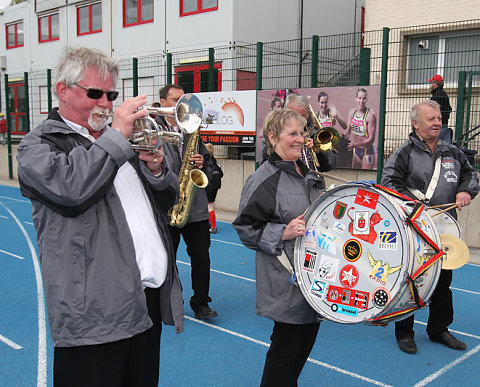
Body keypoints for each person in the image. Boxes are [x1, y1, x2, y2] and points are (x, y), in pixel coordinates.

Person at [16, 47, 183, 386]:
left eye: (111, 95)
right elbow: (72, 191)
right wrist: (116, 136)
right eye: (95, 93)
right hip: (93, 311)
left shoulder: (122, 142)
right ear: (63, 90)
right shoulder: (39, 145)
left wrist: (156, 169)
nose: (106, 104)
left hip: (144, 302)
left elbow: (167, 203)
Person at [233, 109, 325, 386]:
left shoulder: (308, 172)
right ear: (272, 137)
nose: (300, 139)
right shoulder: (263, 179)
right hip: (285, 280)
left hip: (312, 274)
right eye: (292, 134)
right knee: (284, 354)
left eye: (302, 133)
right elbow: (245, 228)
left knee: (302, 348)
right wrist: (282, 232)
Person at [381, 100, 479, 355]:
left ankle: (439, 330)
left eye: (439, 118)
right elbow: (389, 182)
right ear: (415, 124)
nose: (437, 123)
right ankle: (404, 332)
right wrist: (413, 206)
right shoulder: (403, 152)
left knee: (443, 281)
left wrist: (466, 191)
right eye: (431, 119)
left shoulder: (453, 152)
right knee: (411, 280)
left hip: (446, 229)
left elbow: (470, 176)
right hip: (415, 229)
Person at [157, 84, 218, 320]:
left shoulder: (192, 130)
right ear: (162, 102)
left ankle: (201, 302)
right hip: (166, 207)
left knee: (201, 258)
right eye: (174, 100)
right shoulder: (154, 130)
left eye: (182, 100)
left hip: (196, 208)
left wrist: (204, 162)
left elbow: (211, 167)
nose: (179, 105)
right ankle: (171, 301)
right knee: (166, 259)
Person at [285, 93, 337, 172]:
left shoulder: (315, 132)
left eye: (302, 116)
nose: (299, 120)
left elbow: (331, 164)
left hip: (312, 182)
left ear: (308, 114)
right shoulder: (276, 133)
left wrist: (319, 151)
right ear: (285, 114)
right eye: (294, 115)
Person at [316, 91, 351, 168]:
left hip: (331, 146)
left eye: (325, 102)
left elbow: (345, 126)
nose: (324, 105)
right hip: (321, 145)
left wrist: (337, 117)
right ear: (318, 103)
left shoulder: (332, 113)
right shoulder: (315, 116)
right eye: (322, 103)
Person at [346, 88, 377, 169]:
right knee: (353, 177)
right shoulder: (352, 112)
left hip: (367, 151)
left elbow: (371, 139)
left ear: (366, 100)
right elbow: (347, 131)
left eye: (364, 98)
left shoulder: (370, 116)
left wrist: (355, 144)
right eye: (359, 98)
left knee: (365, 178)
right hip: (355, 151)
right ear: (356, 98)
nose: (361, 101)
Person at [204, 143, 223, 234]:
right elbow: (221, 174)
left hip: (208, 186)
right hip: (215, 186)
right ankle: (209, 224)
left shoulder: (205, 162)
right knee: (209, 205)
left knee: (209, 206)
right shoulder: (216, 162)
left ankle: (213, 226)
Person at [429, 74, 453, 143]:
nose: (430, 85)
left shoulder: (436, 97)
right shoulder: (444, 95)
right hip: (444, 123)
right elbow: (449, 109)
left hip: (436, 125)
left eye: (431, 83)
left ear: (435, 84)